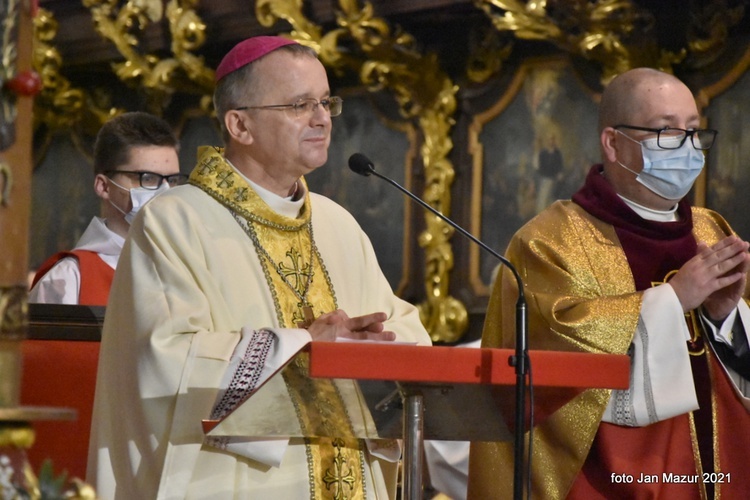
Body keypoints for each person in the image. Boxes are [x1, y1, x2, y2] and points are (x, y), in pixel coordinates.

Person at [87, 36, 431, 499]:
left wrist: (377, 349)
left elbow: (405, 331)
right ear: (240, 125)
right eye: (299, 105)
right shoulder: (174, 222)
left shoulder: (337, 225)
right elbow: (164, 365)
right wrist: (306, 348)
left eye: (327, 102)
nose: (322, 118)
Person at [468, 67, 750, 499]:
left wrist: (724, 316)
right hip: (611, 479)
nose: (688, 147)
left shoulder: (711, 230)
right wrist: (673, 299)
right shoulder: (550, 241)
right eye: (666, 130)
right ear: (614, 144)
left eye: (694, 130)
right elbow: (551, 360)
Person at [29, 111, 182, 305]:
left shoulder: (187, 270)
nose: (165, 192)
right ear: (104, 186)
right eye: (147, 178)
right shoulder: (67, 280)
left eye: (173, 180)